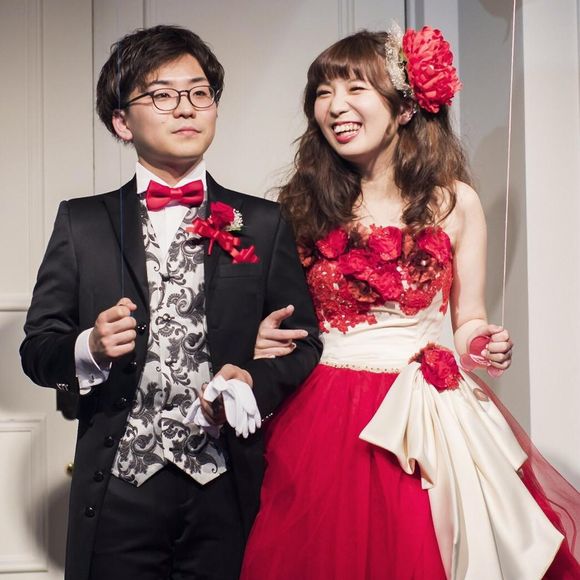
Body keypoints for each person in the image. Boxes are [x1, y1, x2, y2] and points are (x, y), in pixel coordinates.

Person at [241, 27, 580, 579]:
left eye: (355, 88)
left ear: (403, 108)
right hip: (325, 409)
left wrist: (480, 342)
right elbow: (280, 315)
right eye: (323, 92)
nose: (335, 106)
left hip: (424, 411)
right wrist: (261, 336)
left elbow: (468, 318)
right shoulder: (300, 206)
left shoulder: (456, 202)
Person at [20, 25, 321, 580]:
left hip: (227, 485)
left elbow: (304, 344)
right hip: (119, 486)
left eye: (199, 93)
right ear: (122, 121)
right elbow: (37, 349)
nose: (186, 108)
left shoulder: (262, 222)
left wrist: (251, 380)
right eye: (162, 95)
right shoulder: (82, 223)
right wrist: (89, 347)